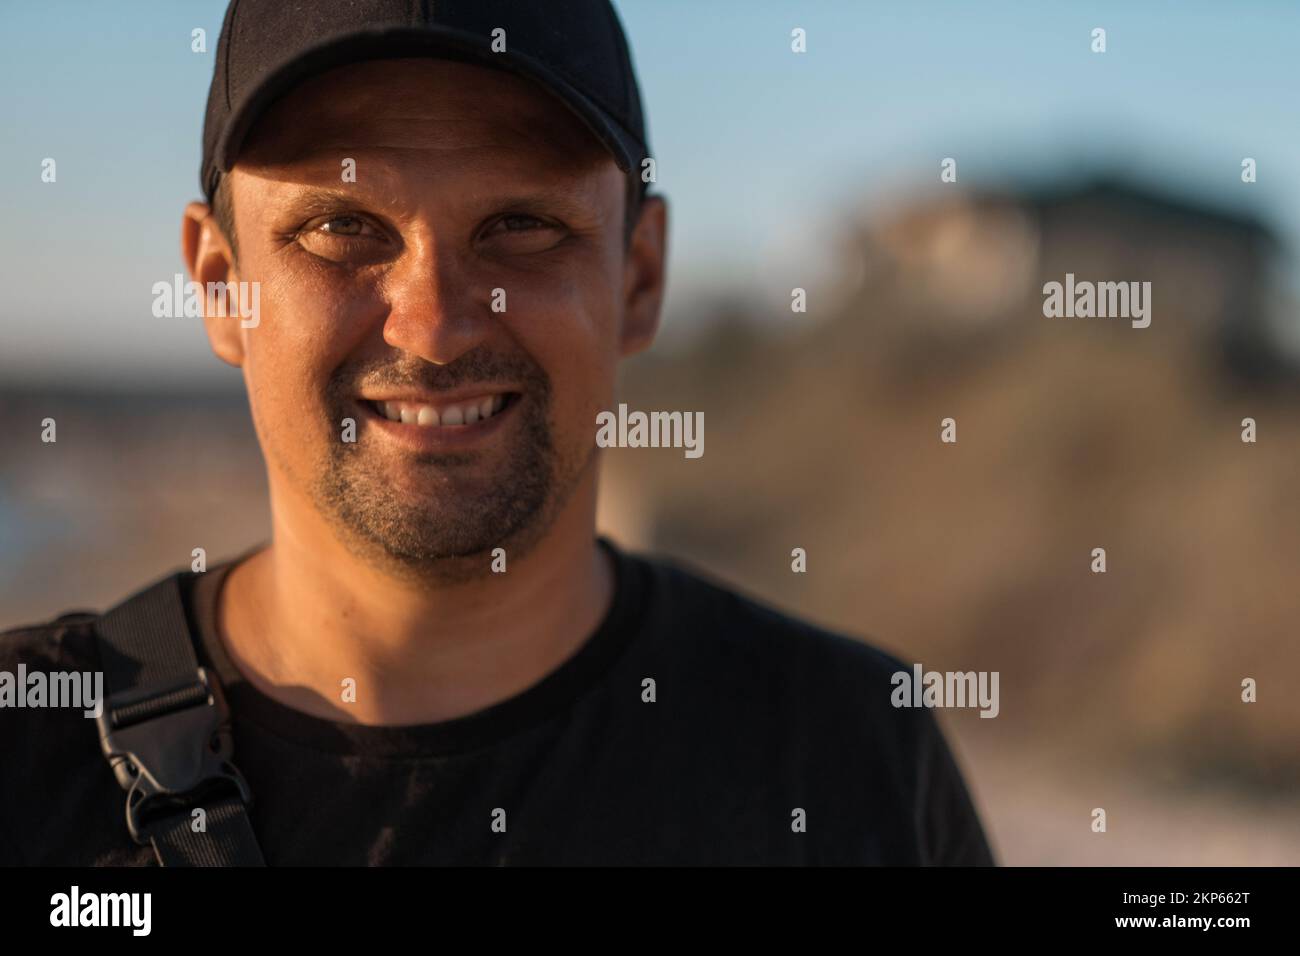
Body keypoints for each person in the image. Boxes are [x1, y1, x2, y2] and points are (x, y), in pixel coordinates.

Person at [0, 0, 994, 866]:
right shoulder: (24, 754)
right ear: (221, 285)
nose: (434, 324)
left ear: (637, 280)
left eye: (523, 224)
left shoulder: (848, 749)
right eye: (342, 228)